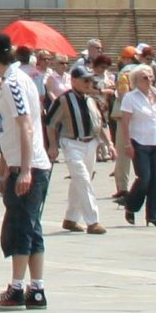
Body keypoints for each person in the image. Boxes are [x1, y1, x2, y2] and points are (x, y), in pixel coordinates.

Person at [0, 32, 49, 310]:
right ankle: (36, 288)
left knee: (20, 226)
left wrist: (23, 169)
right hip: (25, 162)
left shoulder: (12, 83)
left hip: (29, 164)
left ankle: (17, 288)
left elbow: (25, 125)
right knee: (31, 227)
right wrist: (8, 166)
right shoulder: (20, 78)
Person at [47, 66, 111, 235]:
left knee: (80, 180)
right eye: (85, 80)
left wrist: (109, 144)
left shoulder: (92, 100)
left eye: (90, 80)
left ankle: (70, 219)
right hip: (71, 143)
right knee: (83, 179)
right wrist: (52, 146)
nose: (88, 83)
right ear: (74, 81)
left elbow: (101, 124)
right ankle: (93, 221)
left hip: (90, 144)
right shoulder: (63, 100)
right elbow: (50, 123)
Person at [113, 63, 156, 227]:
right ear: (135, 81)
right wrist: (127, 143)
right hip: (139, 142)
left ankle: (154, 215)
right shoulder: (131, 97)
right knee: (144, 178)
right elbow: (125, 122)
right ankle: (131, 205)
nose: (149, 80)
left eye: (151, 76)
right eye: (145, 77)